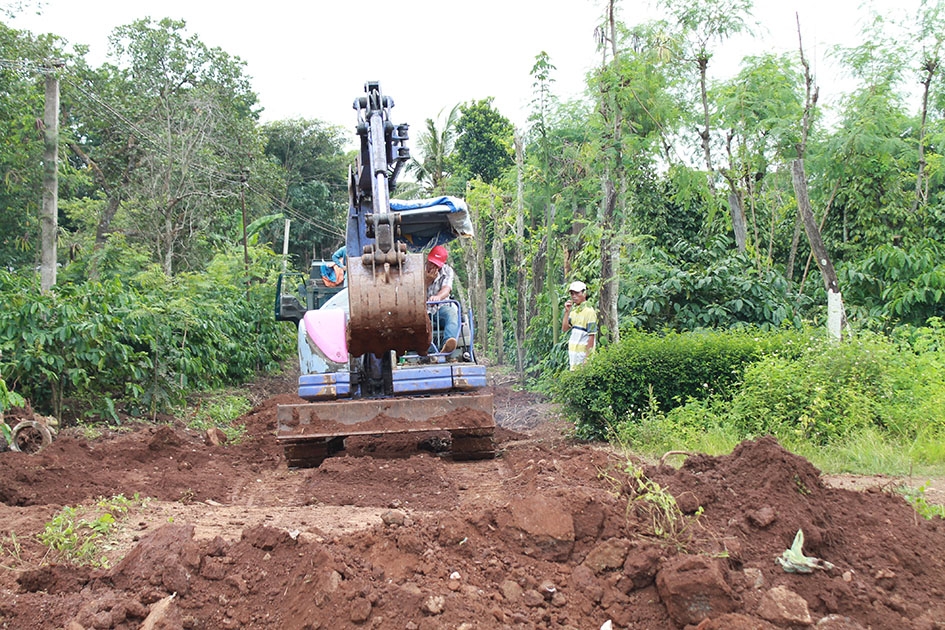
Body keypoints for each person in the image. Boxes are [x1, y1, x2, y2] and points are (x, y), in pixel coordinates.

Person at [424, 244, 459, 354]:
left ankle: (448, 344)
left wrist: (438, 297)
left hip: (440, 308)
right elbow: (412, 293)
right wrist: (427, 281)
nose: (432, 267)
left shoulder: (447, 271)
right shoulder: (418, 269)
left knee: (452, 314)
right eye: (431, 263)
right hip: (422, 310)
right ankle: (428, 352)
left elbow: (446, 288)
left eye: (436, 265)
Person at [561, 280, 597, 370]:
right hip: (574, 357)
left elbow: (591, 336)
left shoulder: (590, 311)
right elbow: (565, 329)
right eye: (572, 294)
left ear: (584, 293)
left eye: (577, 293)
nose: (574, 296)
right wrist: (567, 312)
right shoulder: (574, 311)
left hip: (583, 358)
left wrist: (587, 358)